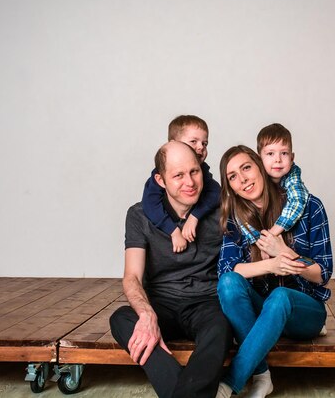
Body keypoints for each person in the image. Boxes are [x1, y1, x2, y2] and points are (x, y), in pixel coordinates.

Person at [110, 141, 233, 398]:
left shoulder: (221, 211)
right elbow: (132, 276)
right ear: (161, 180)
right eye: (178, 175)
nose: (189, 182)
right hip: (162, 303)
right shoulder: (139, 215)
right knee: (122, 318)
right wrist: (146, 314)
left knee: (222, 326)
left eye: (194, 172)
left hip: (205, 302)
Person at [215, 145, 333, 398]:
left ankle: (230, 382)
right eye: (233, 176)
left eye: (246, 167)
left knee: (280, 297)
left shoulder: (310, 207)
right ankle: (262, 376)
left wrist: (286, 253)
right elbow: (227, 268)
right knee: (228, 283)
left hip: (305, 313)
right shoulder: (235, 219)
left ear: (260, 166)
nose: (243, 179)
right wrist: (270, 265)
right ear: (230, 187)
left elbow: (322, 273)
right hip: (262, 313)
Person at [142, 115, 221, 253]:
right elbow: (150, 204)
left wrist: (194, 217)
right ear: (173, 143)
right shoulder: (160, 176)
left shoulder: (203, 170)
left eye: (205, 143)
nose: (200, 147)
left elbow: (215, 192)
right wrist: (173, 231)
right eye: (193, 141)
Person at [236, 123, 309, 245]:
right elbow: (241, 212)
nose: (278, 159)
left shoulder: (292, 174)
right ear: (259, 159)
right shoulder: (254, 181)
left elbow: (298, 200)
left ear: (292, 158)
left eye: (284, 153)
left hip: (277, 234)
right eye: (270, 153)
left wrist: (273, 233)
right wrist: (262, 244)